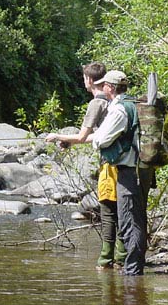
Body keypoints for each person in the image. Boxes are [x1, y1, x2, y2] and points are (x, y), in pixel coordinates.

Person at [45, 62, 126, 270]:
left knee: (109, 211)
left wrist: (57, 137)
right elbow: (99, 135)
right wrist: (69, 141)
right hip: (124, 162)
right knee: (120, 210)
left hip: (111, 163)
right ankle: (120, 257)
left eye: (84, 78)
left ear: (89, 80)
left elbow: (83, 136)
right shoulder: (113, 103)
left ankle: (110, 260)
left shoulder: (96, 103)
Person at [90, 70, 152, 276]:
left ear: (111, 88)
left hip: (129, 172)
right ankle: (135, 267)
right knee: (137, 217)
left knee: (129, 221)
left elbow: (101, 140)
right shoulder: (134, 103)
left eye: (104, 85)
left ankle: (133, 273)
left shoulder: (119, 109)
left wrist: (95, 137)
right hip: (142, 169)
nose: (102, 88)